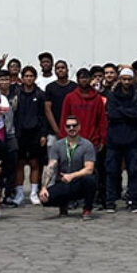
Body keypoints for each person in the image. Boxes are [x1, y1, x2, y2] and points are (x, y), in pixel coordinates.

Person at [60, 68, 108, 207]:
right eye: (81, 78)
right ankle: (72, 198)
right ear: (77, 79)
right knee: (72, 170)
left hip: (91, 141)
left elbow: (102, 121)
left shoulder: (98, 99)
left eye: (86, 77)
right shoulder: (70, 97)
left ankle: (90, 199)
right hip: (73, 140)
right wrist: (64, 138)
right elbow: (64, 118)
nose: (84, 80)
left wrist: (102, 139)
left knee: (91, 172)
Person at [39, 115, 97, 220]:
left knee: (90, 180)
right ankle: (63, 205)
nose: (71, 128)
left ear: (79, 127)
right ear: (65, 128)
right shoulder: (57, 145)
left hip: (80, 182)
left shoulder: (87, 145)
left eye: (74, 125)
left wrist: (72, 176)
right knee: (45, 199)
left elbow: (89, 169)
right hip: (63, 181)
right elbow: (51, 166)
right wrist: (43, 187)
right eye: (68, 126)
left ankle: (87, 209)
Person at [105, 68, 137, 212]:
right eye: (124, 79)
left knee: (134, 171)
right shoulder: (112, 95)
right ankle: (110, 201)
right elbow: (112, 114)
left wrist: (122, 111)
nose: (126, 82)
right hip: (114, 139)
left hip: (133, 139)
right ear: (120, 79)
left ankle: (133, 201)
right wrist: (128, 112)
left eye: (129, 79)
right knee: (112, 171)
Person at [12, 66, 47, 206]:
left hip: (35, 133)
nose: (29, 78)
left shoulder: (40, 94)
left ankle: (33, 192)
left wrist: (43, 133)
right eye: (26, 76)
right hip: (20, 134)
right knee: (19, 163)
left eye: (31, 76)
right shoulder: (16, 93)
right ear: (22, 77)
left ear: (35, 77)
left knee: (34, 163)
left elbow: (44, 116)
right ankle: (20, 193)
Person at [0, 70, 20, 205]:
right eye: (1, 80)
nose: (4, 82)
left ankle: (9, 193)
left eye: (6, 79)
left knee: (12, 165)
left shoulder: (16, 94)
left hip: (12, 134)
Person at [44, 60, 76, 156]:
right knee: (53, 161)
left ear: (67, 70)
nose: (60, 70)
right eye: (58, 68)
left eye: (62, 68)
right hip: (54, 131)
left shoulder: (74, 87)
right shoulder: (50, 87)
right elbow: (47, 109)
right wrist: (57, 130)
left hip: (72, 130)